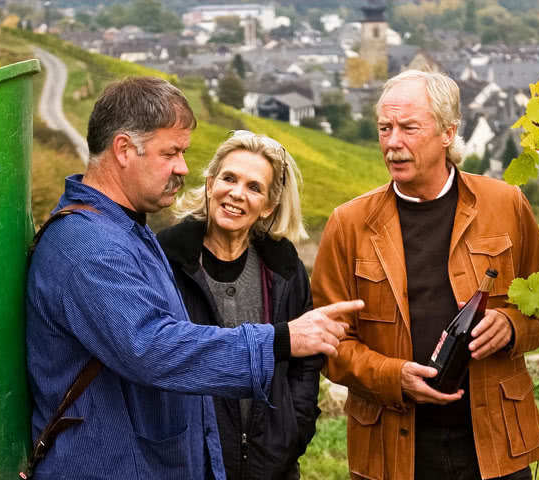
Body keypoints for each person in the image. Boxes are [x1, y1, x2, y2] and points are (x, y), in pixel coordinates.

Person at [25, 76, 361, 479]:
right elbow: (152, 348)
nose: (183, 167)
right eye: (172, 153)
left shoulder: (126, 230)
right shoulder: (91, 248)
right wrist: (281, 340)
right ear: (124, 150)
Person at [312, 69, 539, 480]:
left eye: (408, 128)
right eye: (385, 128)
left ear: (448, 133)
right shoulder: (348, 224)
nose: (392, 142)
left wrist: (512, 325)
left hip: (494, 442)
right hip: (392, 446)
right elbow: (330, 344)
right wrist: (394, 377)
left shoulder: (506, 204)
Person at [158, 131, 320, 479]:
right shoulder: (167, 259)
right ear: (211, 182)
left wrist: (293, 431)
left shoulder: (284, 266)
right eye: (229, 179)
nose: (236, 194)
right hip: (189, 464)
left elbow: (304, 363)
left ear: (269, 207)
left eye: (254, 187)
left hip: (272, 466)